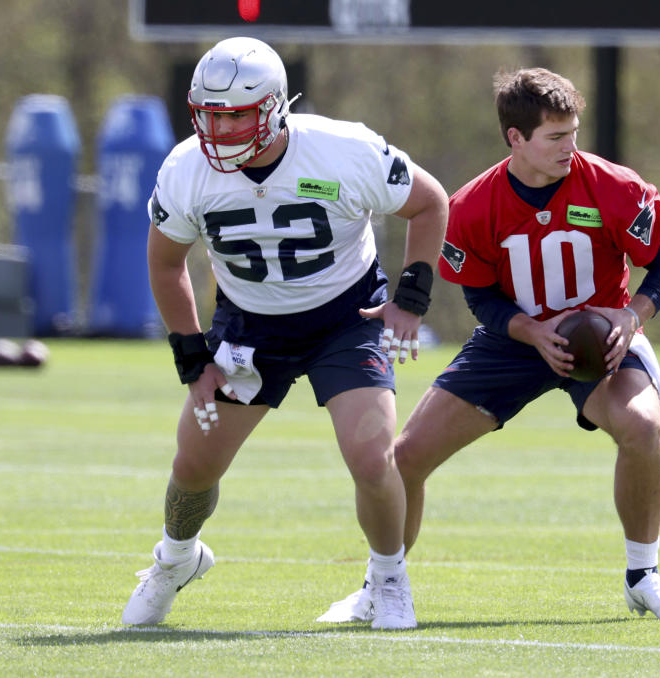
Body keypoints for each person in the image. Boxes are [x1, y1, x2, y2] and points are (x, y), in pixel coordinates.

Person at [320, 67, 660, 623]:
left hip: (600, 340)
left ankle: (644, 576)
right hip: (513, 342)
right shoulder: (473, 205)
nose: (569, 148)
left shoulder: (614, 187)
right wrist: (530, 331)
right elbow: (482, 298)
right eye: (554, 137)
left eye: (573, 134)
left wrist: (631, 313)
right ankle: (379, 585)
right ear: (515, 138)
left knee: (642, 427)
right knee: (405, 459)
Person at [121, 36, 448, 630]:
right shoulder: (185, 169)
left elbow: (429, 203)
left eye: (236, 113)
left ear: (274, 107)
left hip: (347, 318)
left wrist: (411, 300)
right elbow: (167, 264)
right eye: (209, 115)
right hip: (250, 327)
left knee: (372, 457)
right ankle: (174, 560)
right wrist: (193, 356)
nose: (219, 131)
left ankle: (388, 579)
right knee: (193, 467)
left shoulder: (342, 149)